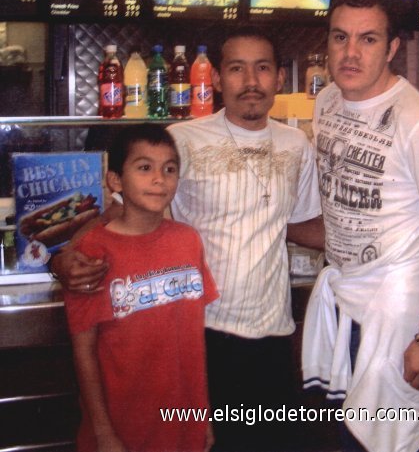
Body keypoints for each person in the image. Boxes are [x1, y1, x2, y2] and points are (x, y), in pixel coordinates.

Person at [53, 27, 324, 452]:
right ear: (215, 79)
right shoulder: (184, 140)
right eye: (236, 69)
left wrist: (383, 241)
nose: (250, 82)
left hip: (274, 332)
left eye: (262, 68)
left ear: (278, 79)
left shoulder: (296, 145)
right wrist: (65, 256)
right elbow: (121, 212)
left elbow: (297, 222)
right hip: (202, 335)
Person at [302, 0, 419, 452]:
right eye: (340, 37)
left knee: (391, 440)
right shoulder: (328, 103)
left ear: (393, 47)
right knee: (352, 434)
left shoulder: (417, 122)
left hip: (397, 310)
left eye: (369, 39)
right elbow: (339, 210)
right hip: (345, 298)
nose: (351, 53)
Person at [63, 124, 219, 452]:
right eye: (145, 168)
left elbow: (193, 339)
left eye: (170, 169)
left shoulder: (188, 240)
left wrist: (202, 416)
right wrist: (103, 433)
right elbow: (84, 350)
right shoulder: (93, 252)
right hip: (122, 429)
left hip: (182, 425)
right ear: (116, 180)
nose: (159, 179)